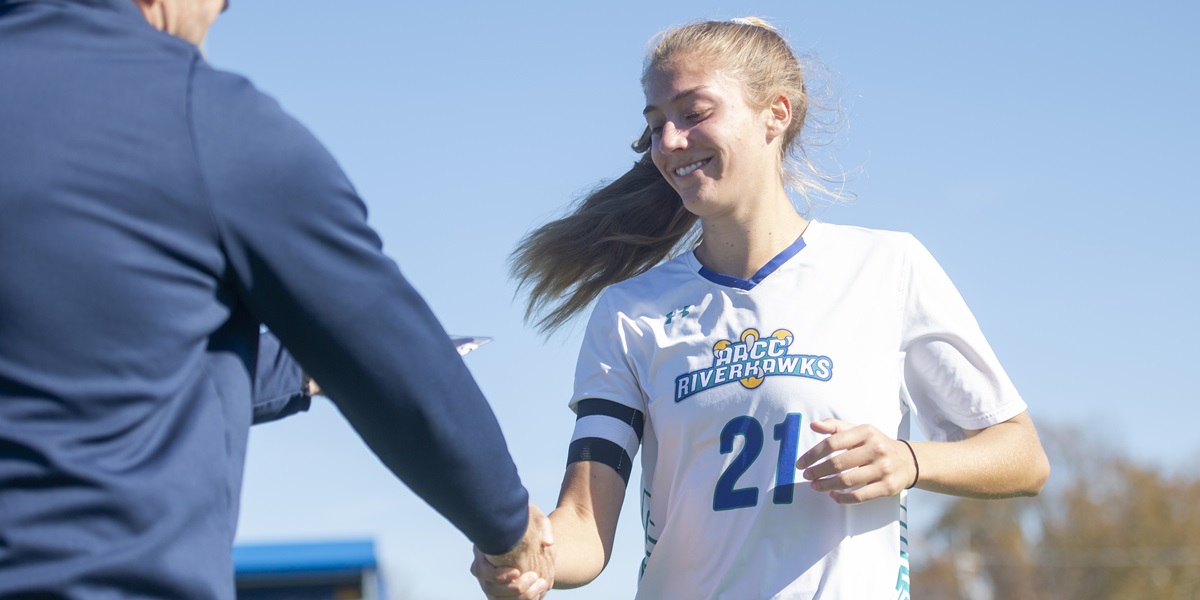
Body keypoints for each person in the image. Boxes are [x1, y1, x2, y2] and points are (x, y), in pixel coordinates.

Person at [471, 17, 1049, 600]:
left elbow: (1022, 457)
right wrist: (527, 555)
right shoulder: (628, 313)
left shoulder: (888, 267)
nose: (668, 142)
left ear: (776, 113)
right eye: (655, 125)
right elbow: (585, 532)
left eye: (693, 112)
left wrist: (908, 460)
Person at [0, 0, 551, 598]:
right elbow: (398, 367)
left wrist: (308, 369)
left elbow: (97, 364)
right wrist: (509, 527)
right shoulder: (201, 118)